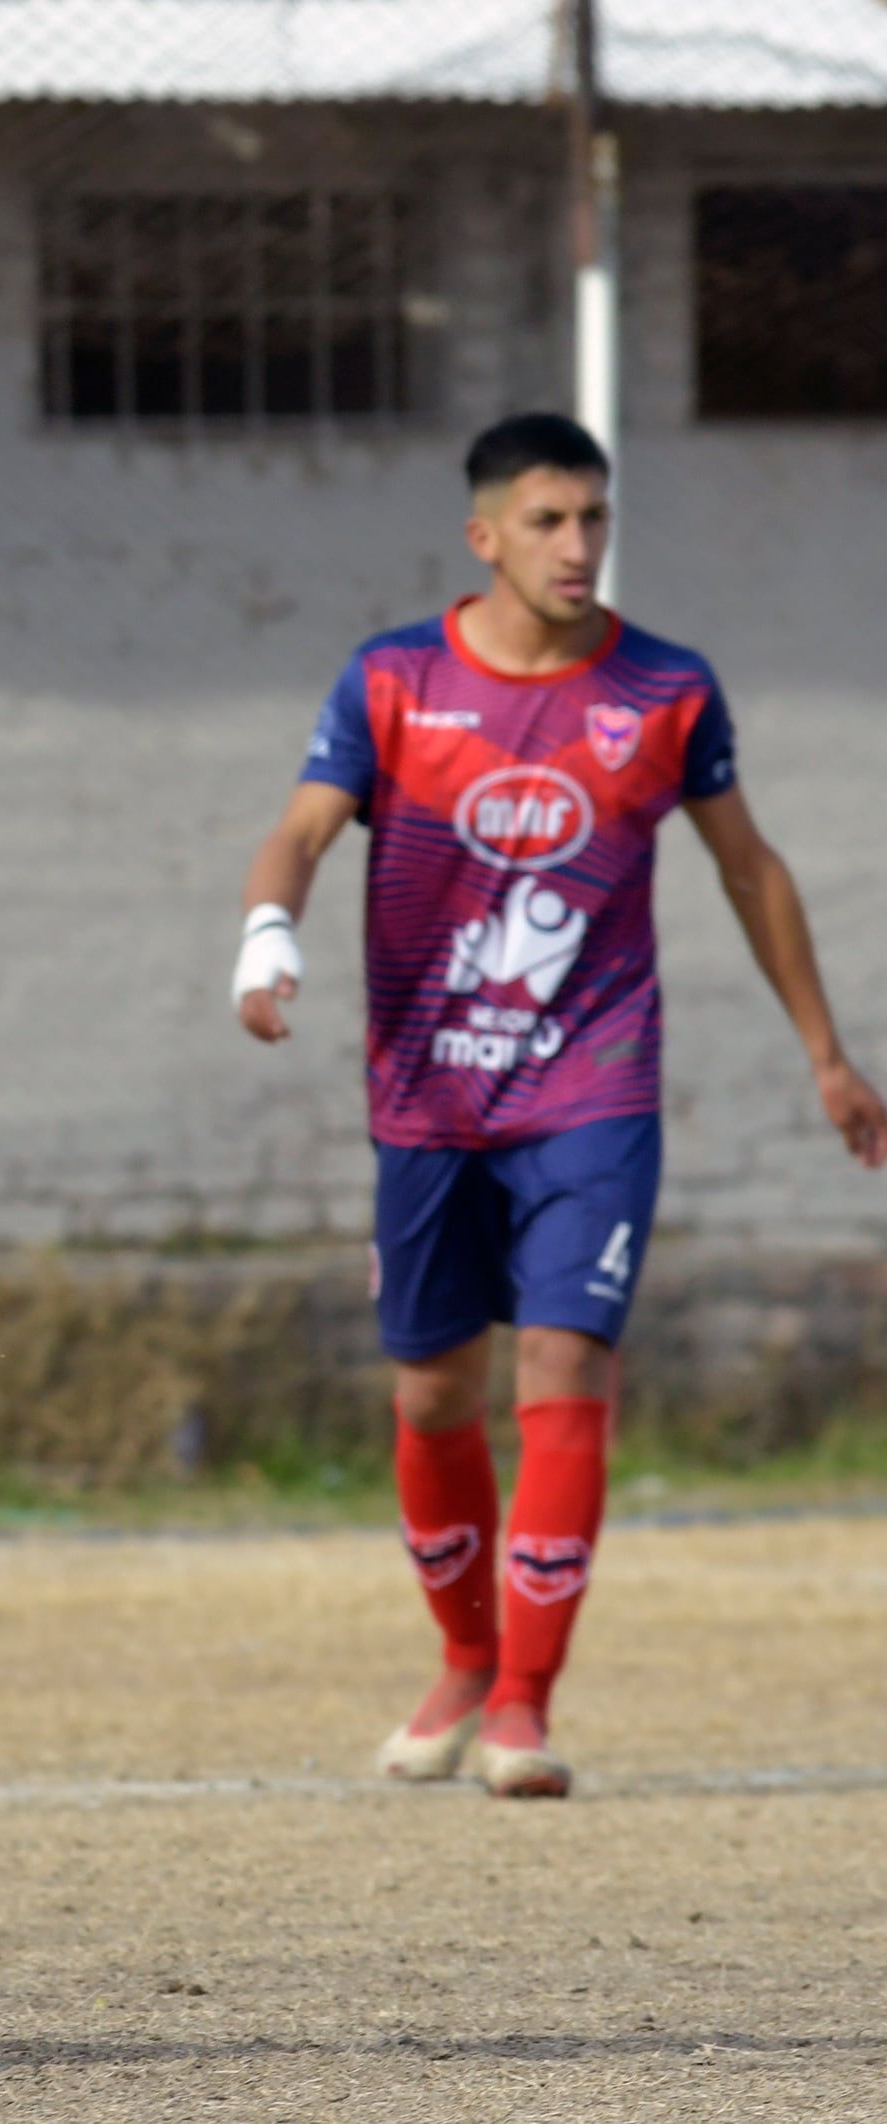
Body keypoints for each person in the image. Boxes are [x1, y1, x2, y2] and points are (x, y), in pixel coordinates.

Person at [233, 412, 886, 1798]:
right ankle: (463, 1659)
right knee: (430, 1391)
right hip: (426, 1093)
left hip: (594, 1086)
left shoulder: (665, 691)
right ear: (485, 537)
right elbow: (299, 825)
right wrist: (265, 935)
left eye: (592, 518)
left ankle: (525, 1702)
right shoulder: (395, 678)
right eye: (547, 520)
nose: (577, 545)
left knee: (566, 1371)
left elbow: (750, 871)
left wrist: (825, 1052)